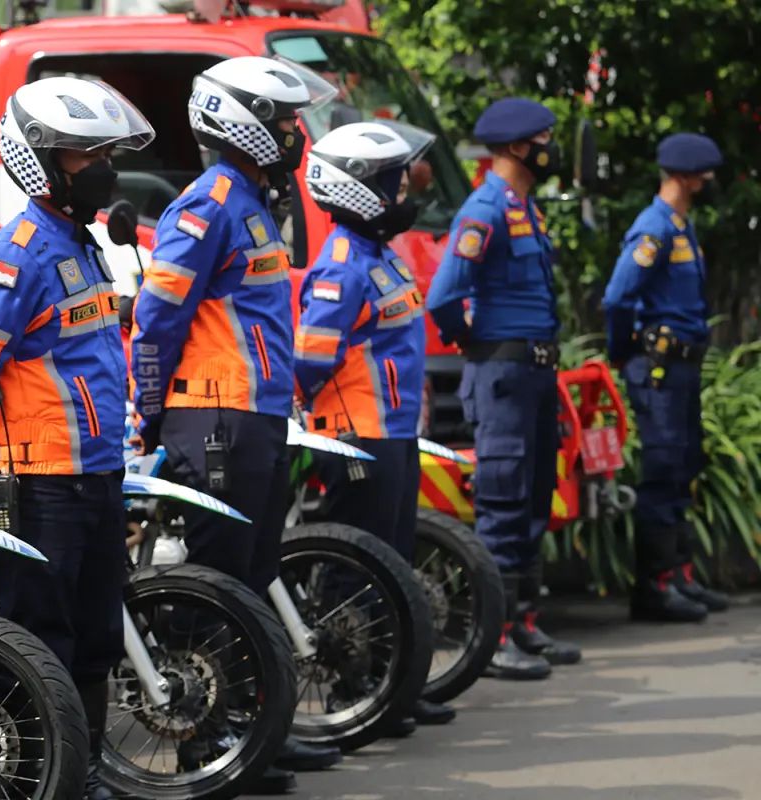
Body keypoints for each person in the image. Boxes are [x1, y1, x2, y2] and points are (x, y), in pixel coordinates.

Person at [0, 76, 154, 800]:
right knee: (35, 639)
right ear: (37, 160)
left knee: (92, 639)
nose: (100, 165)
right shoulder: (16, 255)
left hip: (93, 472)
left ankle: (80, 777)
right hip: (33, 478)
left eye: (104, 151)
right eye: (81, 153)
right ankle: (24, 780)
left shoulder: (82, 245)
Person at [129, 55, 342, 789]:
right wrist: (150, 407)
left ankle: (259, 731)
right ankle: (206, 740)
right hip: (213, 415)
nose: (294, 133)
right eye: (284, 121)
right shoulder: (208, 203)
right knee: (218, 583)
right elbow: (156, 315)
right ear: (243, 125)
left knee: (253, 575)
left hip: (253, 415)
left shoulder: (253, 201)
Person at [294, 120, 457, 730]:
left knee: (391, 564)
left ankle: (396, 684)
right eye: (391, 183)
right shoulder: (341, 264)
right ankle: (351, 689)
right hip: (356, 432)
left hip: (391, 430)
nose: (401, 194)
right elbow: (311, 359)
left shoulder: (380, 256)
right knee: (354, 567)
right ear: (357, 189)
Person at [425, 97, 581, 681]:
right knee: (503, 501)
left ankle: (524, 622)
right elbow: (443, 295)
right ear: (518, 147)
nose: (551, 147)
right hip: (504, 373)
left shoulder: (523, 206)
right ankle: (491, 637)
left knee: (535, 497)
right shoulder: (485, 208)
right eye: (544, 138)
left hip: (534, 373)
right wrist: (474, 343)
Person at [603, 133, 729, 623]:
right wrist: (621, 351)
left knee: (683, 465)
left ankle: (678, 576)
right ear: (684, 176)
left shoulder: (680, 226)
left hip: (682, 368)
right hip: (657, 369)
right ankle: (653, 590)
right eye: (704, 175)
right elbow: (617, 298)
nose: (708, 183)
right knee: (661, 471)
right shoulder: (654, 228)